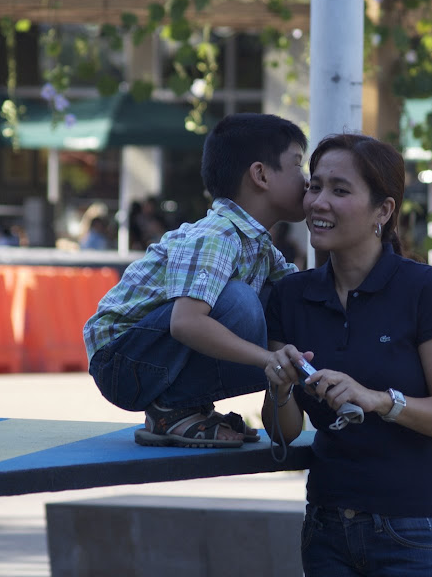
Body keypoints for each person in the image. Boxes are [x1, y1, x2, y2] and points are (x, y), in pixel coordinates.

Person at [261, 134, 432, 576]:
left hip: (418, 530)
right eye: (315, 186)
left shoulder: (426, 289)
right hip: (326, 528)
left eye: (340, 190)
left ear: (383, 211)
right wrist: (278, 388)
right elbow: (285, 430)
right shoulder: (290, 296)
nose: (319, 202)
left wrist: (379, 400)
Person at [83, 113, 308, 448]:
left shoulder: (258, 245)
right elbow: (185, 323)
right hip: (120, 362)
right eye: (298, 165)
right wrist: (267, 360)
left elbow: (302, 293)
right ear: (261, 175)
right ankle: (171, 409)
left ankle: (187, 406)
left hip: (149, 356)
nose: (307, 182)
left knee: (282, 299)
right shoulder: (218, 235)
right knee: (240, 301)